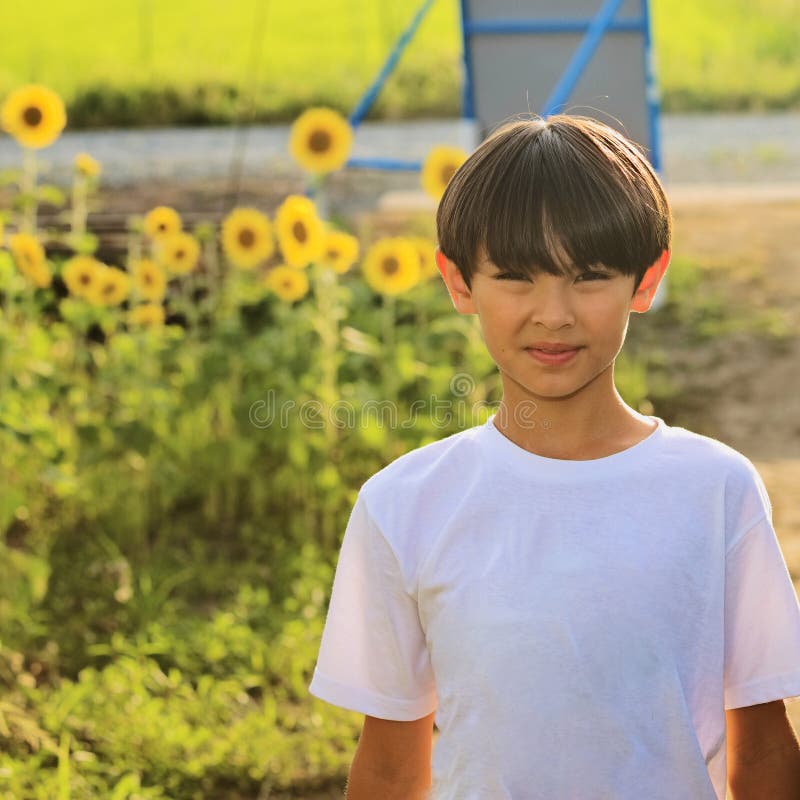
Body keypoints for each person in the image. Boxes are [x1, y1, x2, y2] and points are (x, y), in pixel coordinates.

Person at [307, 115, 800, 799]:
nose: (554, 313)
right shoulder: (404, 504)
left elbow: (766, 748)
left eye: (589, 276)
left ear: (646, 280)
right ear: (458, 282)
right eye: (515, 277)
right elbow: (391, 766)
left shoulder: (716, 489)